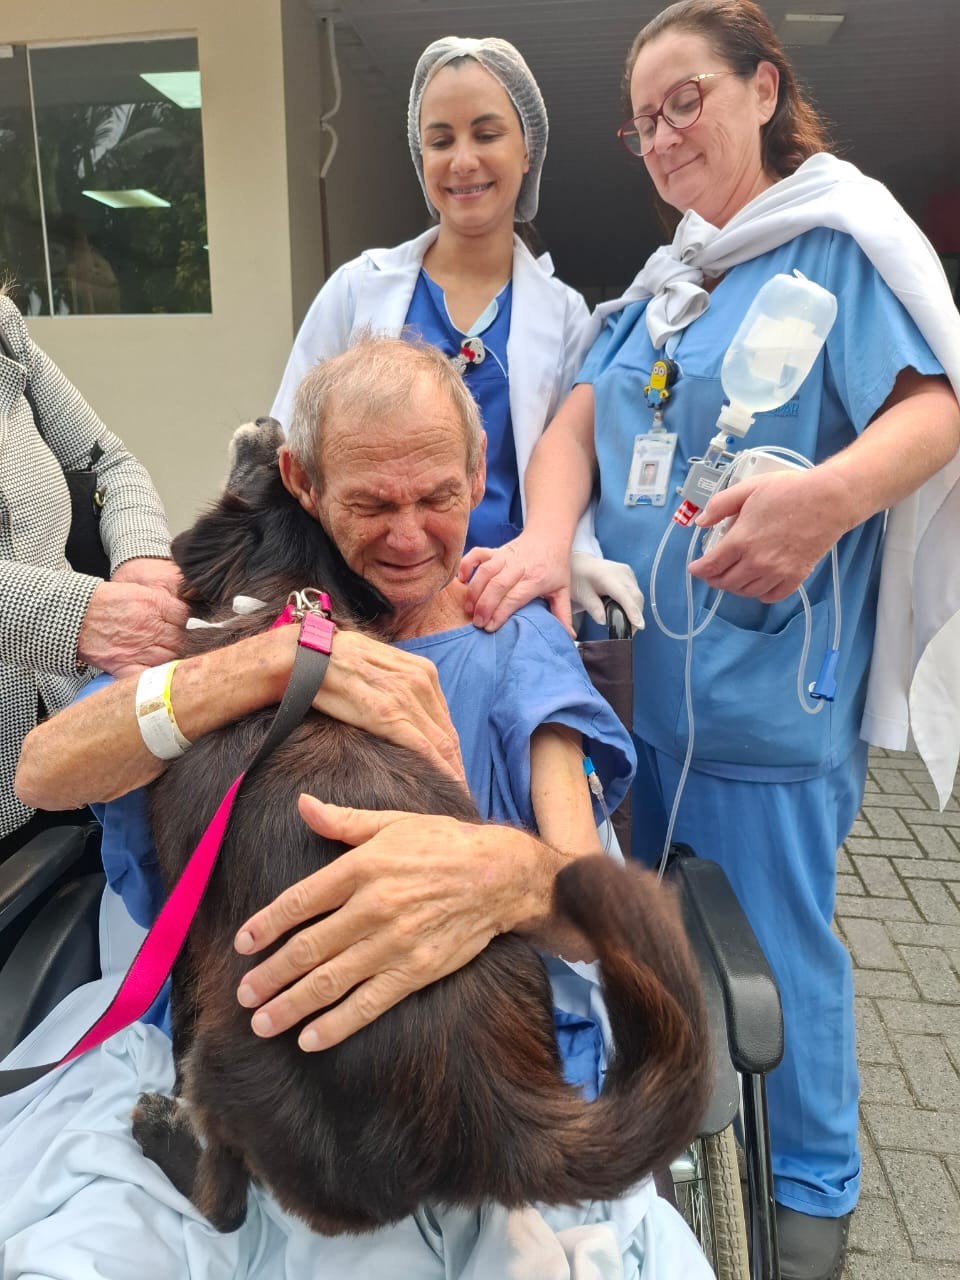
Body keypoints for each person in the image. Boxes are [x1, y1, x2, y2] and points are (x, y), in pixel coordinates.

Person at [4, 338, 711, 1280]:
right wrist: (264, 665)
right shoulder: (241, 622)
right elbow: (45, 771)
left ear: (478, 474)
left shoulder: (511, 639)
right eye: (372, 504)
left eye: (438, 500)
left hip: (451, 1087)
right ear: (301, 481)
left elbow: (588, 917)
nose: (410, 538)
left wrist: (501, 876)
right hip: (227, 1076)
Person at [458, 3, 960, 1277]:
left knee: (782, 940)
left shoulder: (835, 253)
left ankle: (816, 1175)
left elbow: (936, 406)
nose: (665, 134)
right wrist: (543, 542)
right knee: (660, 933)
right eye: (643, 122)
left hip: (766, 692)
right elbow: (576, 413)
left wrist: (829, 499)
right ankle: (683, 1115)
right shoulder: (673, 285)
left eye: (687, 100)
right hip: (642, 704)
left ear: (762, 89)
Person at [270, 34, 644, 630]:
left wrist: (575, 553)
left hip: (501, 605)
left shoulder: (566, 315)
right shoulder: (355, 289)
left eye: (487, 133)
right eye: (440, 140)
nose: (462, 160)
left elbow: (571, 466)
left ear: (529, 152)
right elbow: (291, 442)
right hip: (364, 606)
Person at [0, 290, 187, 855]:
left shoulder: (5, 331)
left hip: (76, 732)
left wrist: (141, 558)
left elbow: (109, 461)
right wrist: (76, 617)